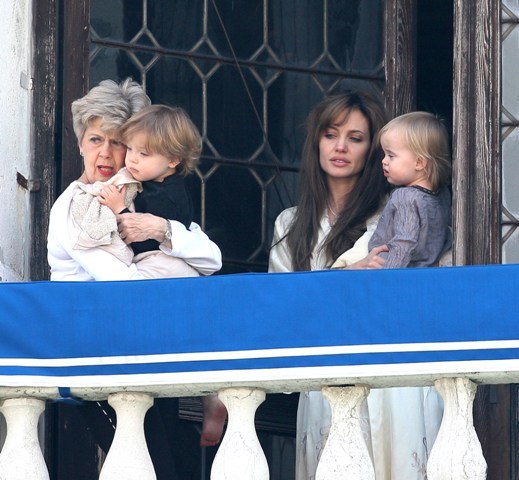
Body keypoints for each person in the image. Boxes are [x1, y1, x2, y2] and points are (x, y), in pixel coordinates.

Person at [47, 78, 223, 477]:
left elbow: (211, 258)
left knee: (165, 465)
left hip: (147, 350)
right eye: (95, 140)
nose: (107, 153)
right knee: (146, 467)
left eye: (118, 142)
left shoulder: (145, 196)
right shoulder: (78, 205)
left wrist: (162, 229)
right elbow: (131, 286)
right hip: (97, 355)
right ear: (80, 143)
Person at [268, 91, 443, 480]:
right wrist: (346, 278)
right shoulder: (290, 224)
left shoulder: (400, 210)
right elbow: (281, 309)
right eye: (330, 135)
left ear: (375, 151)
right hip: (325, 380)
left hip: (395, 381)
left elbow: (426, 293)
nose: (341, 147)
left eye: (356, 138)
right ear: (316, 142)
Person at [366, 111, 451, 268]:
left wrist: (387, 276)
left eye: (391, 155)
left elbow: (404, 242)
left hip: (388, 265)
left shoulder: (405, 197)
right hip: (427, 268)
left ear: (419, 163)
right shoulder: (442, 193)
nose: (384, 161)